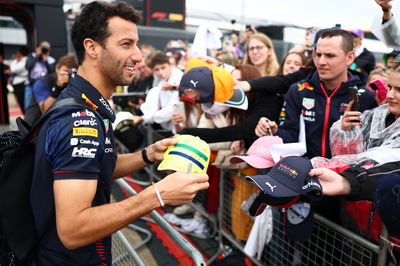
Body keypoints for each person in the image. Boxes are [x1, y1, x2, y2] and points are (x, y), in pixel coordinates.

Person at [30, 2, 209, 264]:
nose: (138, 55)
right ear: (92, 47)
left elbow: (96, 165)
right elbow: (72, 230)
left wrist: (147, 155)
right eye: (126, 44)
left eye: (137, 44)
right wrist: (156, 195)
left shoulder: (86, 103)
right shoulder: (81, 120)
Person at [255, 28, 377, 159]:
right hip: (304, 173)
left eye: (330, 56)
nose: (321, 62)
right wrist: (273, 131)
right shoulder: (298, 91)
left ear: (349, 58)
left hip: (344, 175)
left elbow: (370, 149)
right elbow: (291, 136)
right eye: (318, 55)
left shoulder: (366, 98)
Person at [132, 51, 183, 131]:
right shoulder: (159, 81)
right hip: (169, 126)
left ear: (169, 65)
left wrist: (144, 118)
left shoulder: (180, 79)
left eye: (163, 67)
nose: (160, 72)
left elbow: (171, 109)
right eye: (156, 69)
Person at [9, 45, 29, 113]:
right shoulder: (22, 60)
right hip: (19, 83)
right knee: (22, 101)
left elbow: (13, 69)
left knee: (22, 102)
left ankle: (26, 116)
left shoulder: (25, 60)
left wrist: (16, 60)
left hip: (21, 83)